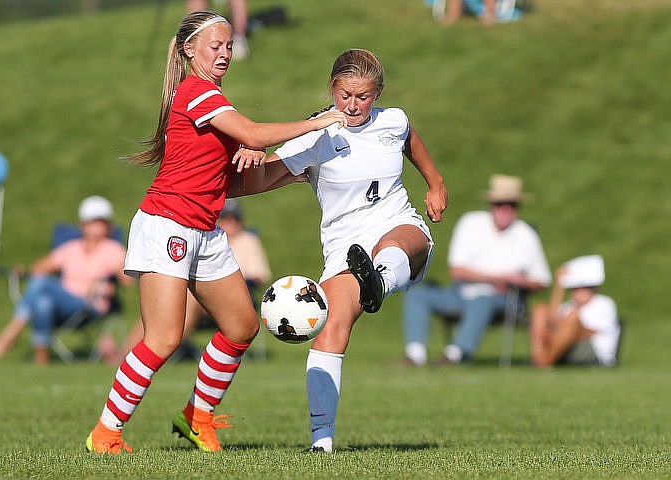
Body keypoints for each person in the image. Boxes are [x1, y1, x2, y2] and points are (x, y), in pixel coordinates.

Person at [83, 10, 346, 455]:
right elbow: (254, 133)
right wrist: (318, 123)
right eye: (215, 46)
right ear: (190, 51)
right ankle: (105, 434)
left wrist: (295, 168)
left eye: (229, 45)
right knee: (164, 337)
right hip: (167, 224)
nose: (225, 53)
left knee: (242, 326)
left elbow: (237, 182)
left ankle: (196, 419)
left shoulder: (215, 99)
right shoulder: (197, 92)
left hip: (204, 231)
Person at [237, 48, 448, 452]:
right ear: (332, 88)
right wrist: (246, 160)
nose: (353, 105)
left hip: (396, 224)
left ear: (378, 93)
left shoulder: (394, 120)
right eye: (345, 94)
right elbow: (261, 181)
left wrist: (435, 183)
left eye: (364, 96)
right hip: (345, 246)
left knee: (400, 242)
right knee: (331, 330)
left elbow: (411, 142)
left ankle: (379, 282)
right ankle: (322, 443)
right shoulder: (317, 134)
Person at [402, 174, 551, 366]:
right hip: (461, 295)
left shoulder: (526, 234)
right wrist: (499, 278)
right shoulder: (471, 223)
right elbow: (457, 271)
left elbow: (542, 281)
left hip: (504, 300)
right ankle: (415, 354)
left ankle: (456, 354)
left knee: (483, 300)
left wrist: (518, 282)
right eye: (500, 204)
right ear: (492, 205)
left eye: (511, 205)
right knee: (418, 295)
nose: (505, 210)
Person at [114, 198, 271, 362]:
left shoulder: (247, 241)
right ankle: (128, 354)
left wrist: (227, 283)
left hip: (229, 296)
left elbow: (259, 276)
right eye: (226, 218)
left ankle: (161, 350)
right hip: (192, 290)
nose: (230, 222)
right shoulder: (205, 238)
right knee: (161, 308)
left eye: (235, 218)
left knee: (186, 304)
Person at [0, 196, 131, 365]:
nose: (97, 227)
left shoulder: (114, 250)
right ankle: (41, 362)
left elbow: (128, 281)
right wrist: (23, 271)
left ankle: (9, 336)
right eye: (92, 222)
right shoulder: (72, 248)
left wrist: (109, 282)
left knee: (42, 283)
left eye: (102, 222)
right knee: (42, 302)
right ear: (82, 224)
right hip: (63, 304)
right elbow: (39, 268)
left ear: (109, 226)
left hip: (89, 305)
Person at [529, 255, 621, 367]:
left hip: (593, 350)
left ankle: (544, 362)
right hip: (565, 346)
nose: (578, 292)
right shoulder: (569, 306)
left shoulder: (604, 304)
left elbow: (589, 332)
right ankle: (539, 357)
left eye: (584, 288)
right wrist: (559, 287)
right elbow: (553, 318)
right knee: (540, 310)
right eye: (575, 289)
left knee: (573, 317)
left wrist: (553, 335)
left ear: (594, 288)